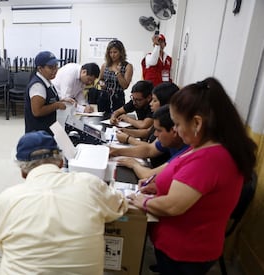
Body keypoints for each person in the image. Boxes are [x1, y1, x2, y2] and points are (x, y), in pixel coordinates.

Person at [128, 77, 257, 275]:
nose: (176, 131)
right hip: (180, 247)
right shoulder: (206, 146)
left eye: (178, 124)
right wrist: (158, 186)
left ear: (197, 122)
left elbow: (173, 205)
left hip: (186, 252)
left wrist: (142, 201)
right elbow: (194, 186)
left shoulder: (210, 158)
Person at [0, 131, 128, 274]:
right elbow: (120, 204)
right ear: (61, 162)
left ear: (23, 172)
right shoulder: (90, 184)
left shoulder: (5, 200)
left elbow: (5, 247)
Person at [111, 105, 188, 179]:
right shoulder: (173, 140)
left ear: (174, 131)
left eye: (159, 130)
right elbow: (149, 150)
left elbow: (149, 176)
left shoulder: (186, 152)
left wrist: (134, 164)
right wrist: (117, 151)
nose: (155, 134)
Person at [24, 51, 69, 135]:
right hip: (38, 134)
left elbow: (48, 101)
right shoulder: (38, 86)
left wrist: (62, 101)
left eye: (56, 66)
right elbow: (37, 111)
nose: (55, 70)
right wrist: (57, 105)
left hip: (47, 130)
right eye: (51, 67)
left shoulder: (47, 81)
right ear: (40, 68)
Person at [98, 39, 133, 113]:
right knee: (101, 119)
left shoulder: (127, 66)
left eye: (115, 52)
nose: (112, 55)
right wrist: (101, 83)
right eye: (110, 52)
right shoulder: (105, 65)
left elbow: (125, 85)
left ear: (121, 52)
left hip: (118, 98)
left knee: (117, 119)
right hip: (104, 97)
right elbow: (100, 79)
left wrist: (118, 73)